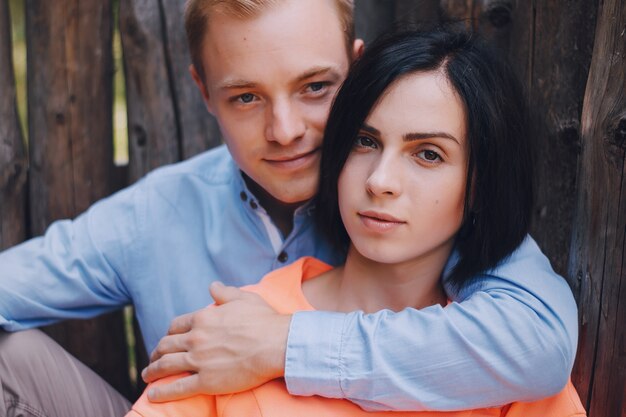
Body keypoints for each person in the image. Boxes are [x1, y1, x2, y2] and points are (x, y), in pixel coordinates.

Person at [0, 0, 577, 415]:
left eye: (315, 88)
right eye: (246, 97)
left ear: (358, 73)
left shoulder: (424, 221)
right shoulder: (153, 214)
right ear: (204, 92)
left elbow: (539, 345)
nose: (285, 131)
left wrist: (279, 345)